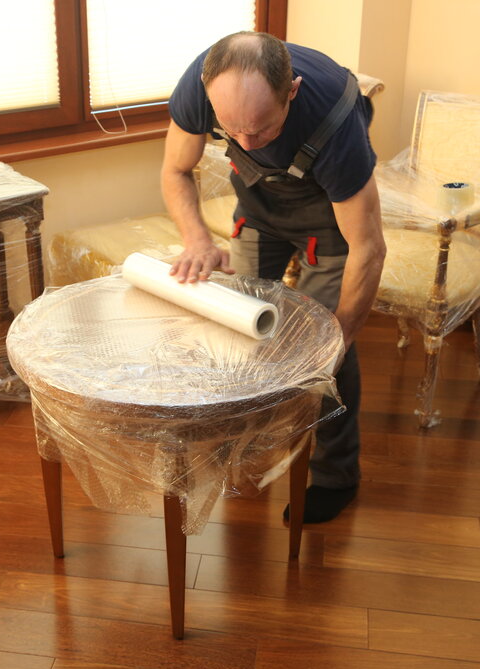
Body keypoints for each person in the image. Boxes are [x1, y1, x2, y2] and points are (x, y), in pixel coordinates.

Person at [160, 31, 385, 523]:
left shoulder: (336, 123)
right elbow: (175, 170)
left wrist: (342, 335)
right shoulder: (201, 84)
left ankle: (336, 475)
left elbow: (368, 248)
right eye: (231, 131)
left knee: (325, 348)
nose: (244, 143)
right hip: (259, 208)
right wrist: (197, 239)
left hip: (329, 220)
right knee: (241, 323)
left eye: (261, 131)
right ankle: (245, 440)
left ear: (292, 92)